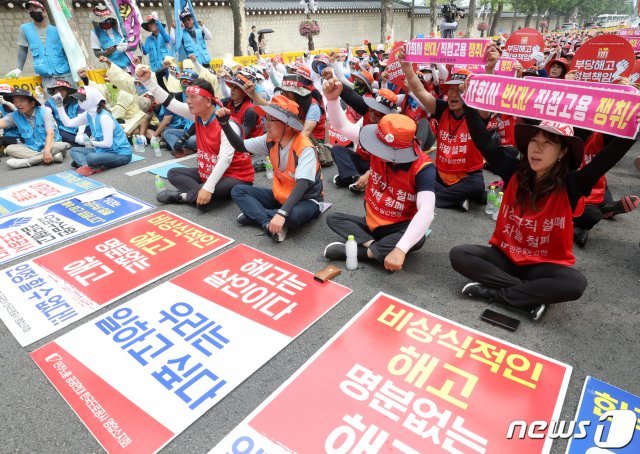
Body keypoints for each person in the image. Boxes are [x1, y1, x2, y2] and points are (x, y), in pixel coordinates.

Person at [449, 101, 638, 320]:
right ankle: (529, 295)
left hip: (543, 265)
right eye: (534, 141)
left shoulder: (573, 184)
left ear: (562, 152)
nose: (537, 149)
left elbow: (608, 158)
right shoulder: (512, 171)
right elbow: (483, 142)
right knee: (460, 254)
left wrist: (634, 123)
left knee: (575, 284)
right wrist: (468, 102)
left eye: (547, 143)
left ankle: (495, 293)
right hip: (506, 256)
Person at [322, 77, 435, 271]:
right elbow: (342, 127)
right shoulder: (377, 141)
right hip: (372, 220)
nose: (379, 152)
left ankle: (361, 251)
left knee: (417, 239)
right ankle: (374, 249)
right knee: (334, 218)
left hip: (398, 226)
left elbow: (426, 211)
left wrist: (400, 249)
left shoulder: (423, 167)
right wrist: (332, 100)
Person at [136, 65, 254, 211]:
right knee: (173, 173)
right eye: (187, 97)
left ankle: (184, 196)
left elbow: (225, 159)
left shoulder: (227, 123)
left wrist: (208, 188)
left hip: (236, 176)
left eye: (193, 97)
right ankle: (202, 194)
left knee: (204, 197)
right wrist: (148, 81)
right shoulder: (197, 113)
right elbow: (169, 102)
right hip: (208, 170)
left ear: (208, 101)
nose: (188, 101)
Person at [219, 95, 324, 243]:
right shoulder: (270, 139)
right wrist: (224, 124)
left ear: (288, 124)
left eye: (270, 120)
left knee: (292, 216)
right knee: (238, 190)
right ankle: (266, 222)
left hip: (306, 199)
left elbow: (302, 185)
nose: (265, 124)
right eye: (265, 119)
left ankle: (258, 215)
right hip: (280, 196)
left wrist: (282, 213)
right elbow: (240, 146)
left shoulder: (305, 147)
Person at [401, 56, 488, 212]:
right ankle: (457, 199)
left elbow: (486, 102)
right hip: (440, 174)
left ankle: (434, 197)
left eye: (459, 90)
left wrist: (489, 69)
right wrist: (406, 67)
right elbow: (419, 90)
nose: (453, 95)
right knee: (417, 173)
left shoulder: (476, 115)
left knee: (477, 185)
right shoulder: (441, 109)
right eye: (451, 90)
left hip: (468, 176)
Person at [53, 86, 132, 176]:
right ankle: (88, 166)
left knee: (91, 157)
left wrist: (92, 142)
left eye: (82, 100)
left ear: (92, 99)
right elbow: (68, 123)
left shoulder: (104, 117)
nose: (79, 102)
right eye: (79, 100)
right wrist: (59, 105)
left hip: (120, 154)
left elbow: (108, 144)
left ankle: (87, 163)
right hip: (101, 151)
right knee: (74, 151)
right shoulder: (88, 114)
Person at [6, 1, 73, 88]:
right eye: (30, 9)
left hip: (66, 74)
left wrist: (76, 67)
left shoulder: (57, 30)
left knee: (71, 99)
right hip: (47, 77)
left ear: (44, 12)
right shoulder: (25, 29)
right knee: (52, 101)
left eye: (36, 9)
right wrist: (19, 68)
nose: (33, 11)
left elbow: (68, 50)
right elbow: (23, 49)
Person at [0, 88, 69, 169]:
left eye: (21, 101)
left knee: (61, 145)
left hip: (51, 145)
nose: (18, 104)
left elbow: (50, 134)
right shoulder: (14, 115)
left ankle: (28, 162)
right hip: (33, 148)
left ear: (32, 103)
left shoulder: (45, 113)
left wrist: (46, 151)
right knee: (9, 149)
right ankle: (53, 157)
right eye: (15, 101)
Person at [90, 5, 132, 71]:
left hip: (130, 64)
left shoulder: (118, 27)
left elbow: (131, 41)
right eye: (103, 22)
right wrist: (106, 52)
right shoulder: (95, 33)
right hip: (115, 68)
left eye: (108, 21)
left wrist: (126, 46)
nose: (106, 23)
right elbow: (97, 53)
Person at [45, 80, 85, 147]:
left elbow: (83, 117)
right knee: (60, 134)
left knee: (89, 130)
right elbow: (47, 114)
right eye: (57, 90)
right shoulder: (49, 102)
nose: (59, 92)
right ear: (54, 91)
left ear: (67, 91)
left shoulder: (76, 100)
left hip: (80, 127)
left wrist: (80, 133)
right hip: (65, 130)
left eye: (62, 90)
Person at [0, 85, 21, 151]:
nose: (2, 97)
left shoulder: (20, 104)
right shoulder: (1, 106)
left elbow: (23, 116)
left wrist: (8, 104)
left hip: (22, 136)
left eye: (5, 95)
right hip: (8, 135)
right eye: (1, 94)